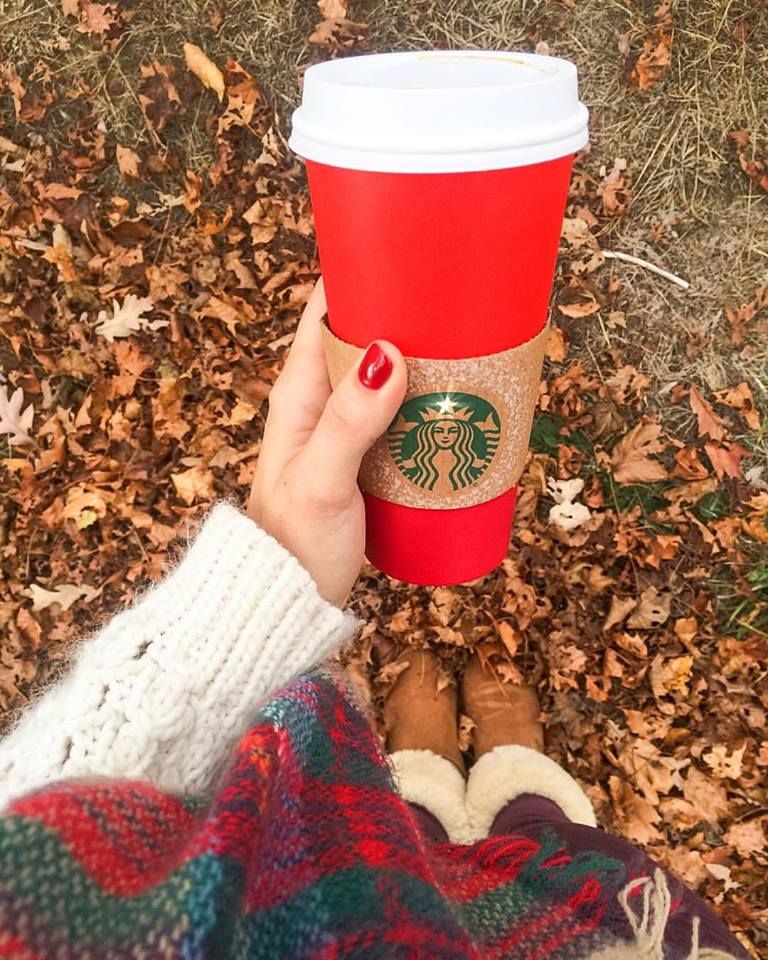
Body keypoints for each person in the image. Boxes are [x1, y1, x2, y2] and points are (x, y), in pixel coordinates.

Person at [0, 282, 749, 960]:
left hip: (329, 876)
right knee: (546, 836)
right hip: (595, 925)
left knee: (397, 827)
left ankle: (419, 784)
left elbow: (45, 858)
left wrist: (270, 573)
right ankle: (519, 784)